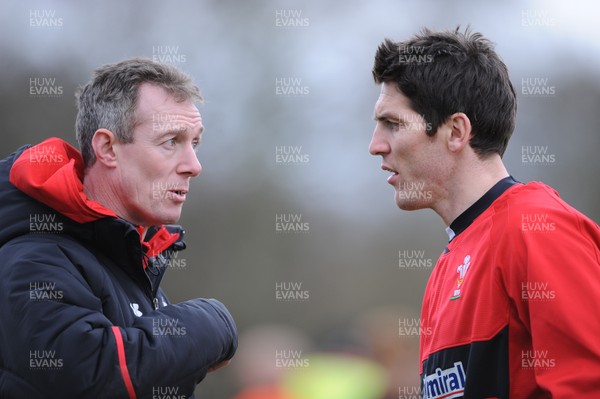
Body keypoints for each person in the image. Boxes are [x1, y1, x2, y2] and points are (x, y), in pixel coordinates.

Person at [369, 27, 600, 397]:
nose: (375, 146)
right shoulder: (448, 264)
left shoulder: (536, 227)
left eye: (393, 124)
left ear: (456, 131)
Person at [0, 58, 237, 398]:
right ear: (107, 148)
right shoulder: (33, 256)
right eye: (171, 141)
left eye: (194, 143)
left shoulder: (127, 258)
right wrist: (211, 323)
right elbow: (93, 376)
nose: (193, 166)